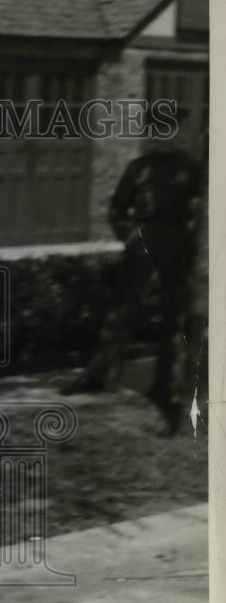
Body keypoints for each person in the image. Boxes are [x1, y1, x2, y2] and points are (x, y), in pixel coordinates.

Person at [61, 109, 202, 434]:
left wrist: (190, 243)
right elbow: (116, 209)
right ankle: (98, 375)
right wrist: (129, 238)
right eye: (159, 129)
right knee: (121, 311)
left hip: (177, 245)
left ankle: (166, 386)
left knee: (175, 318)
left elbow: (200, 211)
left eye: (172, 129)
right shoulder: (137, 169)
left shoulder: (190, 169)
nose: (166, 135)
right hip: (143, 241)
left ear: (178, 131)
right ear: (152, 133)